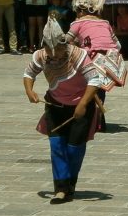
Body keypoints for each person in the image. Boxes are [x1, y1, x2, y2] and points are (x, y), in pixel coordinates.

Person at [22, 16, 103, 204]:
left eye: (57, 49)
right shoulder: (40, 56)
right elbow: (29, 73)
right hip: (54, 106)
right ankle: (60, 188)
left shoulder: (78, 55)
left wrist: (83, 104)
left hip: (81, 106)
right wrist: (29, 90)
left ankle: (70, 183)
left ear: (63, 44)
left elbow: (95, 80)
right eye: (50, 50)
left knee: (74, 148)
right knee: (57, 146)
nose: (54, 54)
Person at [66, 0, 126, 124]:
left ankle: (91, 116)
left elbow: (65, 42)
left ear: (81, 11)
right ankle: (98, 117)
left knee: (86, 83)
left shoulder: (77, 23)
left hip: (91, 58)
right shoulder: (105, 23)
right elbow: (118, 45)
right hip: (110, 59)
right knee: (99, 88)